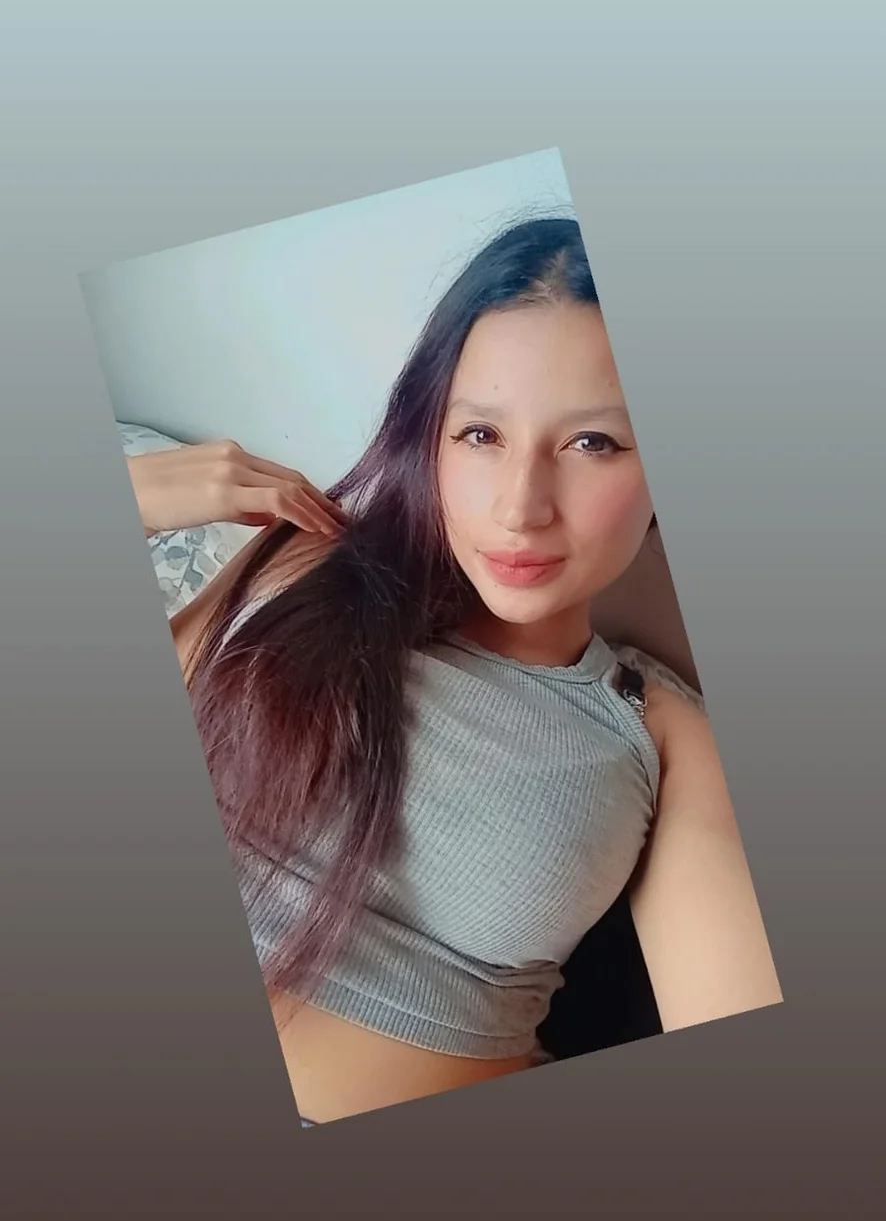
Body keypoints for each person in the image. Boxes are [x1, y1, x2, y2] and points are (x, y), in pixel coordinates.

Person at [127, 217, 781, 1124]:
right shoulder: (309, 567)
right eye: (479, 433)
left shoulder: (661, 736)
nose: (520, 507)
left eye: (594, 443)